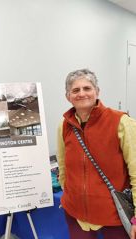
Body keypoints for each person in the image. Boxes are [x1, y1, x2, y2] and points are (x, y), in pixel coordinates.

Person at [57, 68, 136, 239]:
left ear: (97, 92)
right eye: (75, 90)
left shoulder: (121, 122)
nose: (81, 93)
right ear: (68, 96)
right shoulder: (64, 126)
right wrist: (68, 194)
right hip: (75, 214)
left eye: (87, 88)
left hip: (114, 215)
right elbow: (62, 167)